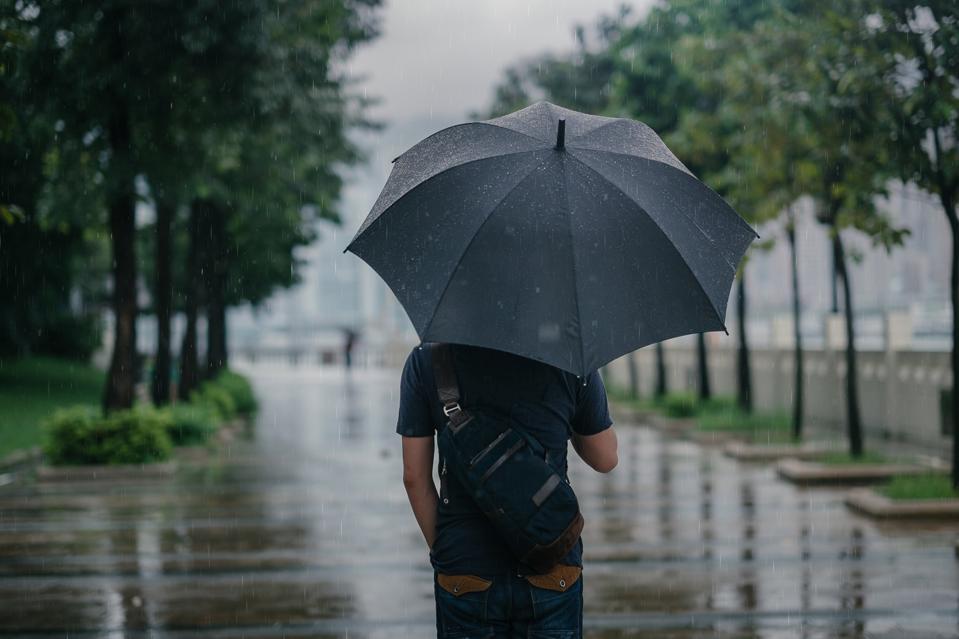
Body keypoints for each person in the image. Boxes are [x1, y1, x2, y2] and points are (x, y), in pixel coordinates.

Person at [397, 341, 617, 639]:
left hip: (465, 567)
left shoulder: (430, 358)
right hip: (550, 559)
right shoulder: (570, 357)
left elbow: (414, 477)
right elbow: (604, 458)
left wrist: (448, 548)